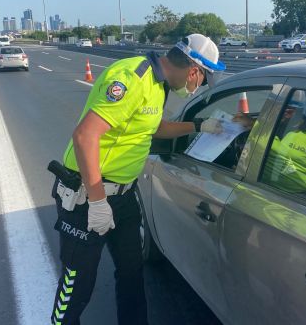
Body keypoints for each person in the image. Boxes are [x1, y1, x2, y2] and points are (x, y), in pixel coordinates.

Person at [50, 34, 226, 325]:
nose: (199, 87)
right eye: (203, 81)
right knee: (77, 283)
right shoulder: (132, 77)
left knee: (132, 273)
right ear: (194, 70)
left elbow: (153, 128)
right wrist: (97, 201)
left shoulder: (160, 85)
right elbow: (85, 136)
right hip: (85, 196)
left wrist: (199, 126)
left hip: (124, 197)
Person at [233, 94, 306, 203]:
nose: (275, 113)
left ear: (296, 111)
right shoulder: (263, 125)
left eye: (288, 110)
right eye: (275, 108)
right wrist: (232, 123)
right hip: (258, 188)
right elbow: (225, 127)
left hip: (298, 199)